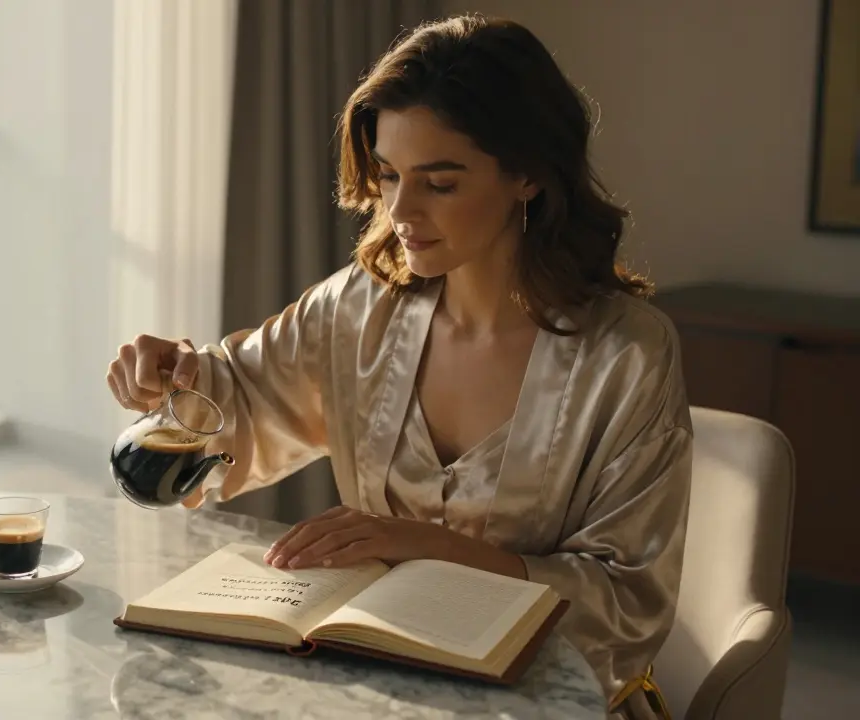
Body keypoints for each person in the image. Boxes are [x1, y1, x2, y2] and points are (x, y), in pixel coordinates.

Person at [106, 14, 689, 720]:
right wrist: (175, 376)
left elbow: (626, 608)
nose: (400, 211)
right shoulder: (359, 308)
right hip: (378, 686)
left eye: (440, 184)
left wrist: (425, 546)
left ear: (529, 175)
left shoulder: (627, 354)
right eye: (387, 175)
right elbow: (242, 398)